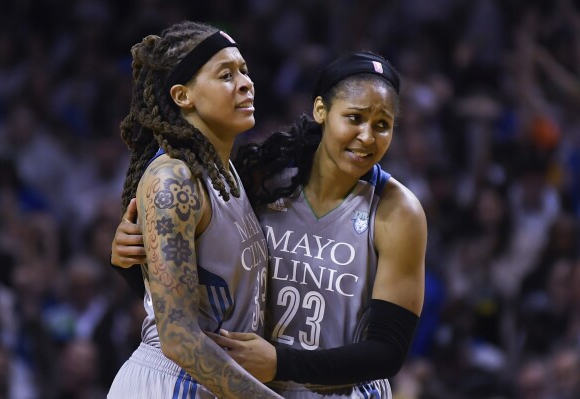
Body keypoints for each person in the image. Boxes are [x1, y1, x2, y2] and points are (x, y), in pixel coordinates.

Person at [113, 51, 426, 398]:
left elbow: (387, 353)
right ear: (321, 110)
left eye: (382, 125)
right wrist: (131, 259)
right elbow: (193, 291)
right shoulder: (264, 177)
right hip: (249, 388)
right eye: (354, 118)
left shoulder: (399, 211)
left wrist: (281, 362)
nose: (367, 136)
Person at [107, 20, 281, 399]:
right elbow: (179, 338)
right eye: (225, 75)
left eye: (244, 71)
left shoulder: (222, 167)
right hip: (173, 382)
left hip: (210, 383)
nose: (246, 83)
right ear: (183, 96)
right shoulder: (174, 180)